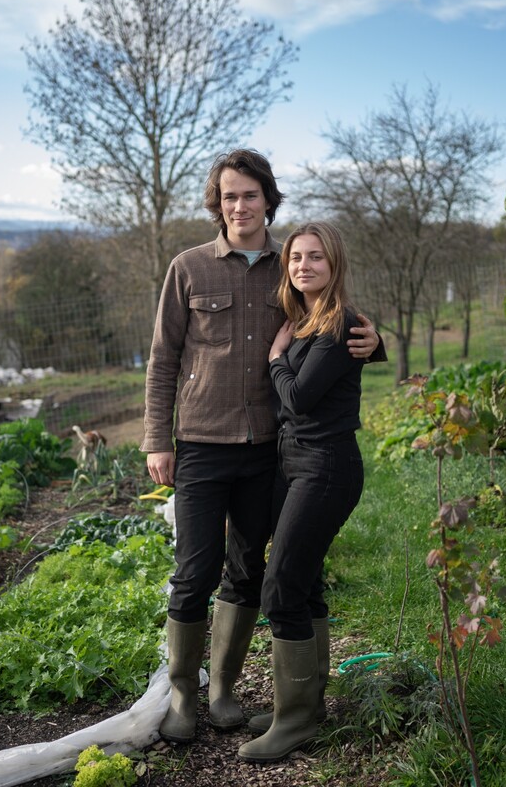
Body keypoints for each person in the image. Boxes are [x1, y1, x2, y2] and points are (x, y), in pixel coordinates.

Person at [142, 150, 383, 744]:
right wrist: (156, 439)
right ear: (217, 203)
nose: (240, 206)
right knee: (194, 571)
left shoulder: (290, 265)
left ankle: (222, 692)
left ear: (268, 200)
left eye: (250, 195)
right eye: (229, 196)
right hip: (200, 443)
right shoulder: (189, 268)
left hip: (268, 451)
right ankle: (182, 697)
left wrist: (377, 340)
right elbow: (162, 358)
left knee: (249, 569)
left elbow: (333, 322)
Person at [237, 221, 367, 763]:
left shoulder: (338, 325)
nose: (302, 266)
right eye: (294, 258)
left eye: (315, 257)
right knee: (305, 581)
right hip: (295, 463)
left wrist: (272, 360)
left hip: (326, 466)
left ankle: (293, 721)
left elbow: (300, 400)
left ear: (333, 264)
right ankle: (306, 705)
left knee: (281, 587)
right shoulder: (307, 320)